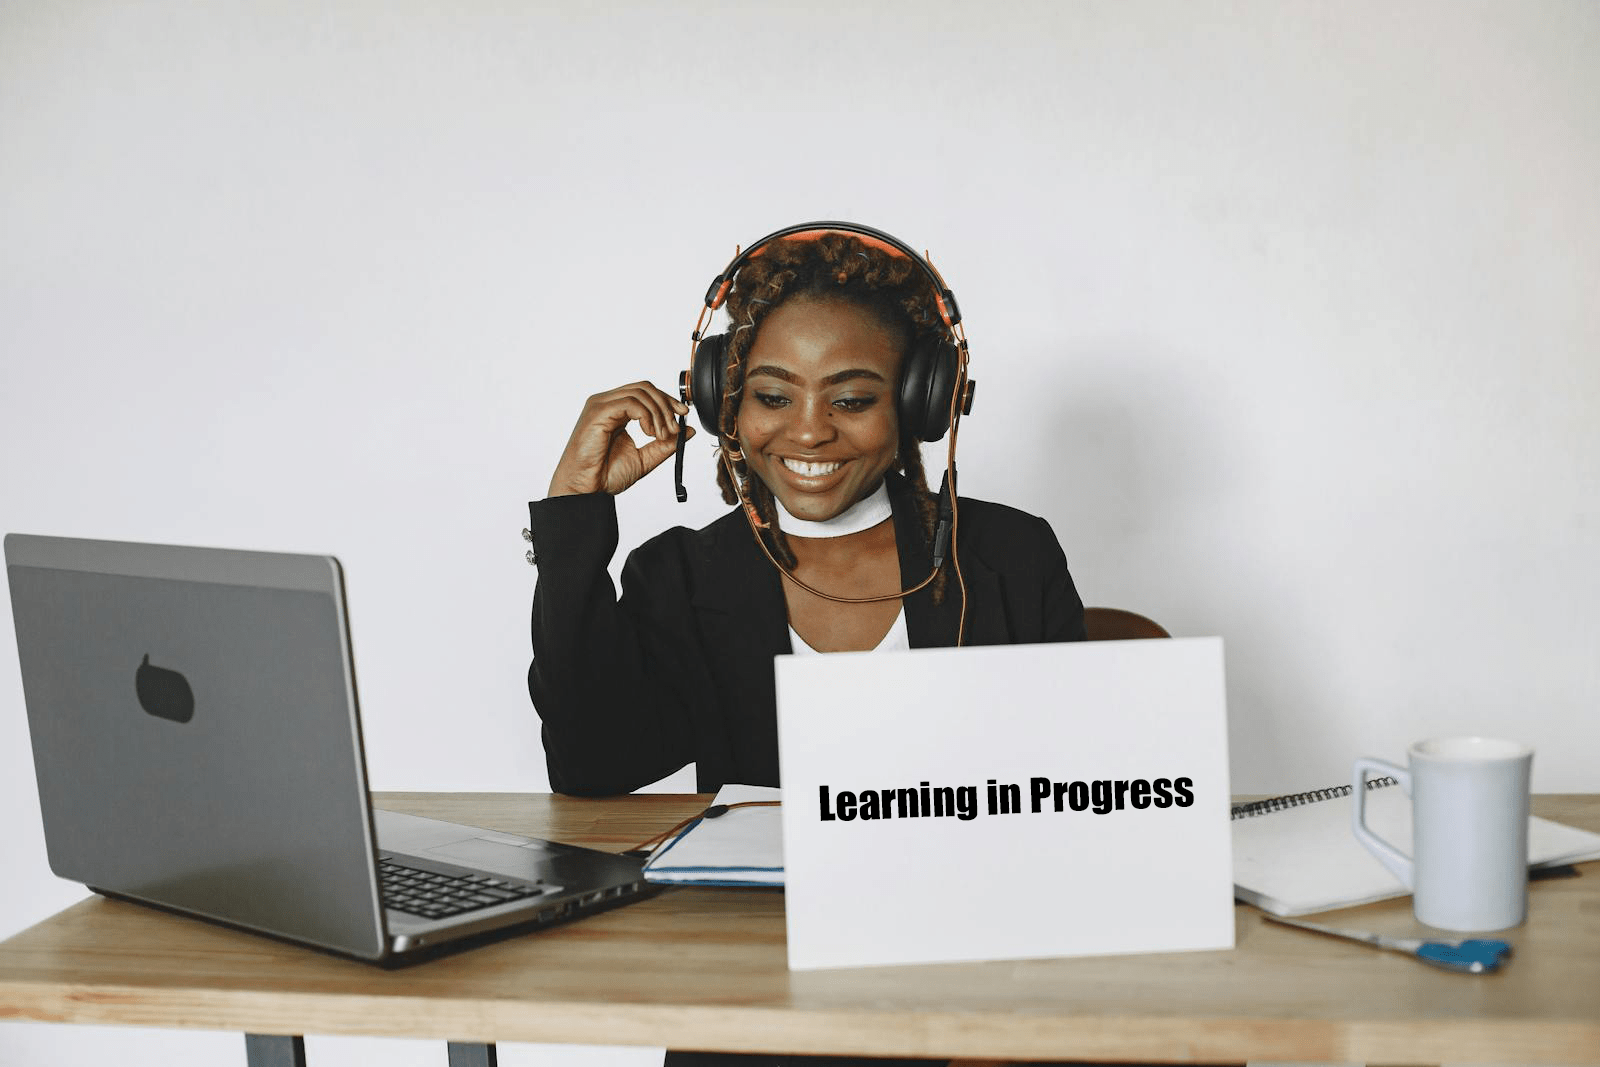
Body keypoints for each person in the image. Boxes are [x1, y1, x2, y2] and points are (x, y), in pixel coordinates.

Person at [527, 223, 1087, 801]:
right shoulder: (682, 575)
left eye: (851, 400)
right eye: (773, 397)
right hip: (768, 895)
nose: (810, 432)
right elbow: (592, 766)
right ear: (727, 403)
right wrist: (572, 506)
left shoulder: (1012, 555)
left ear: (921, 404)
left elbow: (1079, 776)